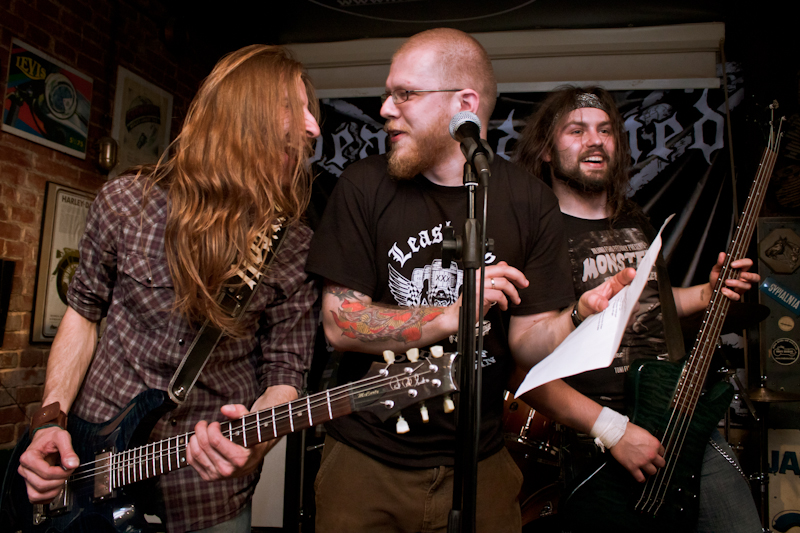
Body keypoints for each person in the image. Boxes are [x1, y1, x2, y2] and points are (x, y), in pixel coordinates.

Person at [305, 29, 634, 533]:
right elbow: (340, 323)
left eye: (406, 94)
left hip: (482, 465)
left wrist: (577, 316)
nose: (386, 109)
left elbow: (528, 343)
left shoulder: (527, 201)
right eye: (388, 94)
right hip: (366, 461)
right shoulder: (363, 186)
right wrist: (452, 315)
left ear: (464, 104)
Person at [17, 45, 321, 533]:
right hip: (91, 465)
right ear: (245, 114)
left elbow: (285, 373)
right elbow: (82, 314)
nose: (313, 128)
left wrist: (255, 444)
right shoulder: (126, 202)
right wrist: (50, 419)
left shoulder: (295, 247)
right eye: (298, 106)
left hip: (206, 495)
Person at [514, 85, 762, 532]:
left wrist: (706, 293)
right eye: (577, 130)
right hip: (603, 439)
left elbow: (655, 305)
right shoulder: (535, 234)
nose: (595, 140)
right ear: (547, 151)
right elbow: (526, 370)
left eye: (605, 130)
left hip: (678, 414)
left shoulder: (633, 219)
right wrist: (614, 431)